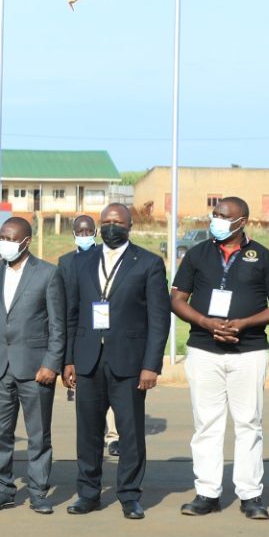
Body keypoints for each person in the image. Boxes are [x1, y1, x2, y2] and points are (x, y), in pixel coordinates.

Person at [171, 197, 269, 520]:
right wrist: (206, 322)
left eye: (225, 216)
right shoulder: (198, 253)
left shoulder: (262, 257)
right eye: (215, 214)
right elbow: (177, 298)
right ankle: (207, 492)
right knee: (206, 423)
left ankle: (250, 495)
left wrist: (246, 323)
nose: (217, 219)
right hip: (203, 349)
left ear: (242, 222)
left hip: (248, 351)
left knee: (248, 422)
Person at [63, 204, 168, 519]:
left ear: (130, 226)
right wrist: (68, 360)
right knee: (88, 432)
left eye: (117, 222)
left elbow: (159, 319)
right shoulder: (81, 262)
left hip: (130, 361)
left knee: (130, 432)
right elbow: (72, 314)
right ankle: (88, 493)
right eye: (106, 222)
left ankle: (129, 496)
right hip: (88, 358)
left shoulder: (148, 263)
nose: (111, 226)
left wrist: (151, 365)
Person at [0, 217, 66, 515]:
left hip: (35, 369)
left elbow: (57, 324)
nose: (5, 242)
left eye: (11, 238)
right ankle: (3, 489)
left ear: (26, 241)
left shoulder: (48, 274)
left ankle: (38, 491)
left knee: (38, 434)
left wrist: (52, 363)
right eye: (2, 236)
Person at [56, 214, 119, 456]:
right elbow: (65, 304)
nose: (84, 236)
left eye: (88, 231)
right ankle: (93, 435)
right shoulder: (66, 262)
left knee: (112, 388)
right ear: (73, 234)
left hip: (108, 331)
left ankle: (113, 436)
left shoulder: (107, 256)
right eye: (79, 232)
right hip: (82, 332)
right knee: (88, 393)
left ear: (95, 232)